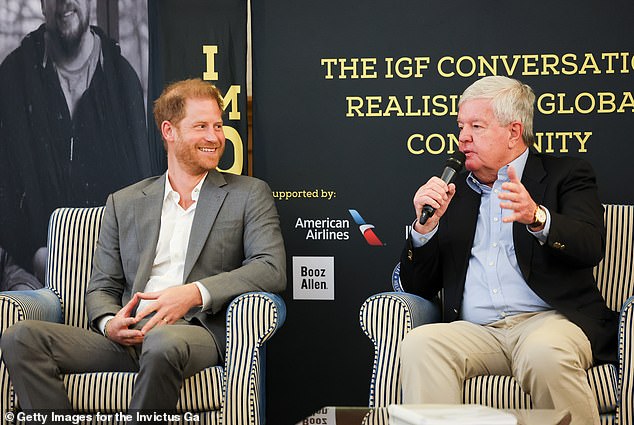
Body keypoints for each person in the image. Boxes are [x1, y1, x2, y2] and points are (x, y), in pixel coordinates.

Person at [0, 78, 286, 420]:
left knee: (162, 343)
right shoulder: (125, 203)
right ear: (170, 131)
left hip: (193, 333)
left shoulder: (248, 194)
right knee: (20, 338)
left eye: (218, 126)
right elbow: (102, 286)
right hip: (128, 336)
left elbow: (271, 267)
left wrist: (192, 294)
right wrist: (109, 323)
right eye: (201, 126)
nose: (214, 137)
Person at [398, 76, 617, 425]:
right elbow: (418, 288)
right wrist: (424, 230)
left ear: (514, 132)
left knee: (545, 353)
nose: (462, 137)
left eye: (476, 126)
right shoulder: (452, 192)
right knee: (421, 345)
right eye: (460, 126)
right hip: (478, 331)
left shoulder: (567, 174)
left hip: (548, 321)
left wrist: (537, 217)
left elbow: (590, 246)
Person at [0, 0, 151, 277]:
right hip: (31, 268)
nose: (66, 2)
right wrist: (33, 255)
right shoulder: (13, 77)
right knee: (16, 313)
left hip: (110, 271)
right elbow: (3, 190)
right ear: (43, 4)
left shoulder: (122, 79)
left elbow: (141, 189)